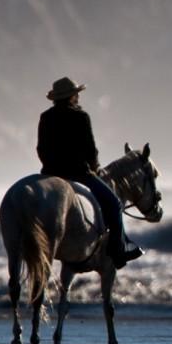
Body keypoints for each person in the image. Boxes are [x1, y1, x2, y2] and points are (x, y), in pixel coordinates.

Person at [37, 77, 141, 267]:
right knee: (114, 203)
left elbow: (41, 149)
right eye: (76, 94)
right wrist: (94, 168)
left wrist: (50, 167)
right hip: (77, 173)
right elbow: (90, 149)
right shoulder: (80, 116)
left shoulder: (46, 116)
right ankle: (119, 250)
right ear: (71, 97)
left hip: (49, 174)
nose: (78, 97)